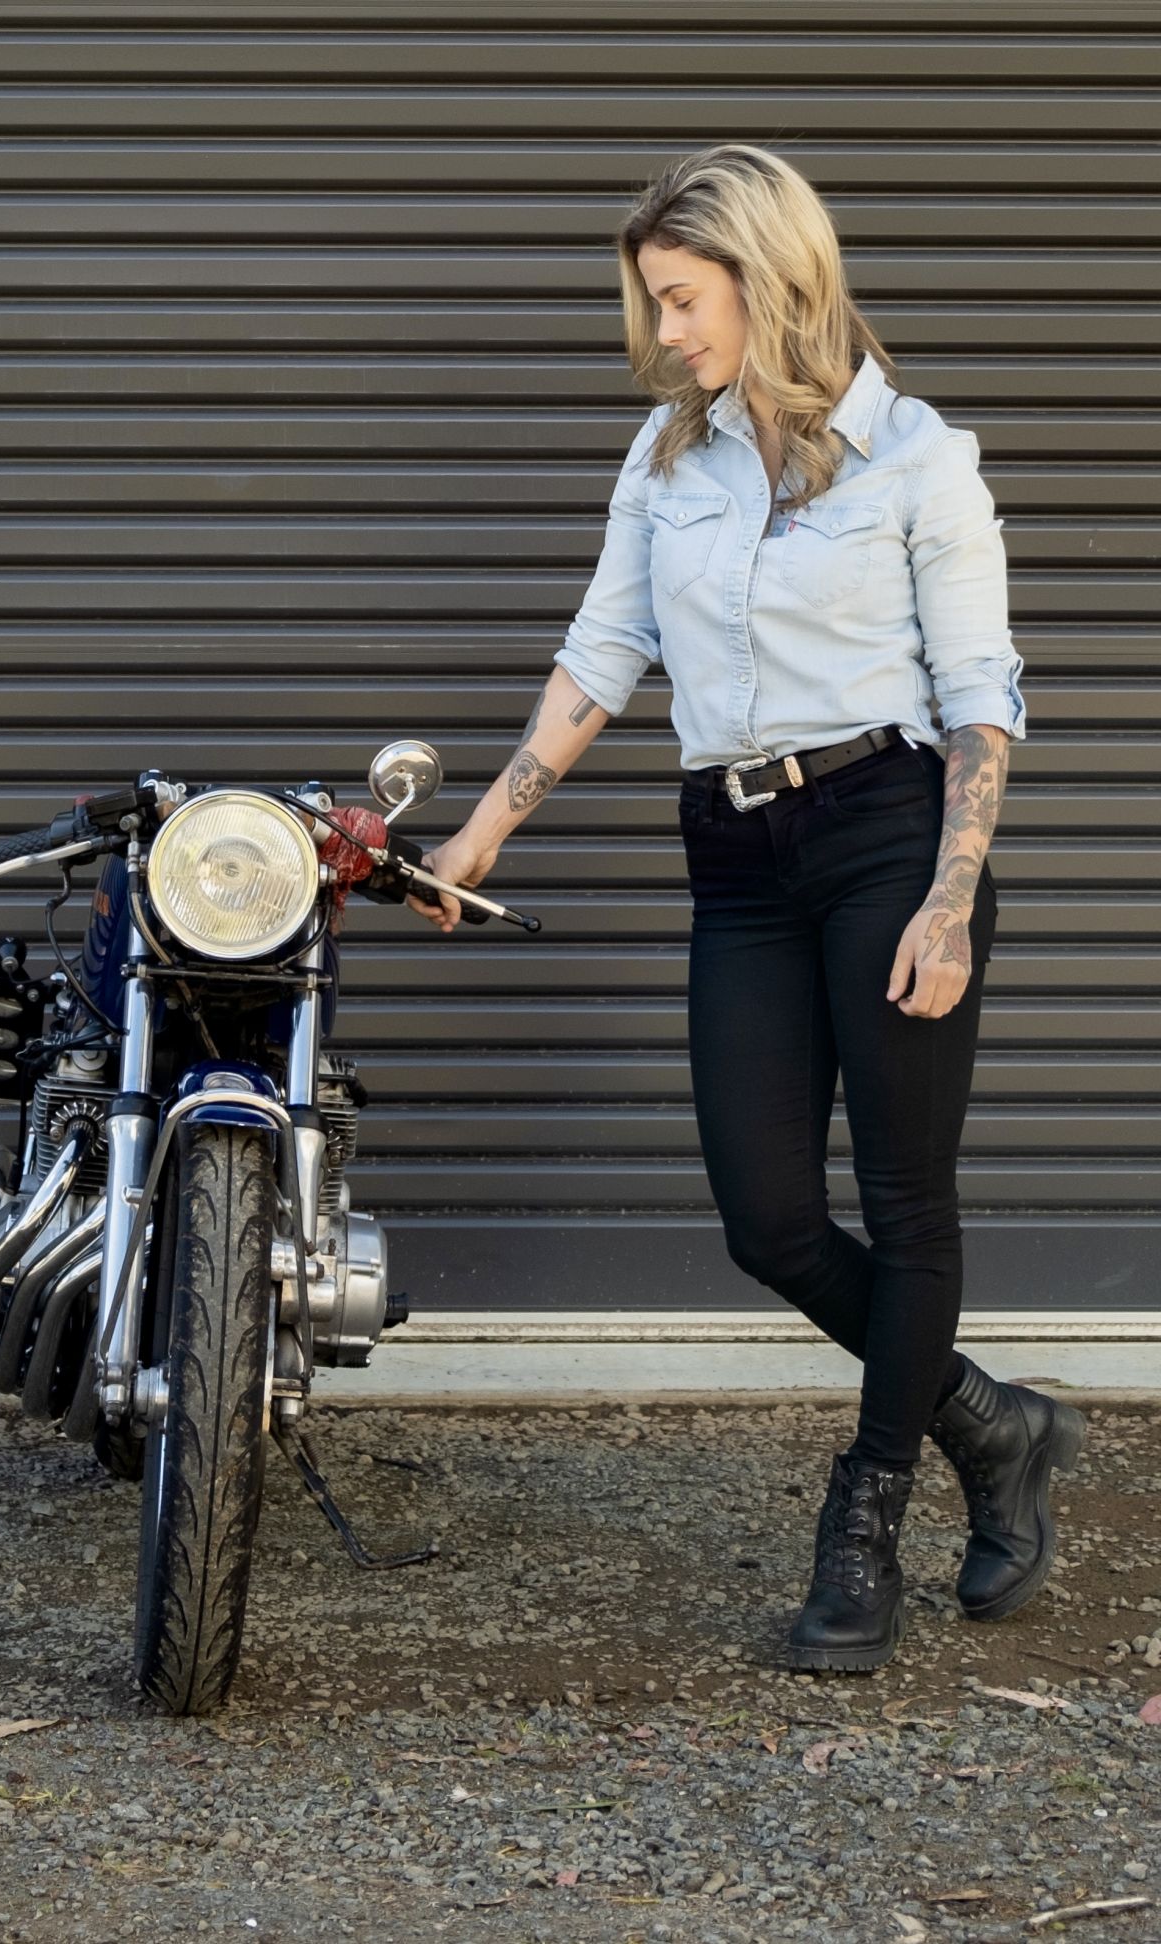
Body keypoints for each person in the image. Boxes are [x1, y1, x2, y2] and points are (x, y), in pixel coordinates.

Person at [407, 143, 1086, 1672]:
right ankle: (994, 1423)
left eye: (683, 300)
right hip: (738, 855)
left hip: (889, 834)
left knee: (906, 1203)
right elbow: (604, 649)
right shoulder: (668, 462)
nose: (664, 333)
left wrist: (951, 898)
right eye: (653, 303)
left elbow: (981, 696)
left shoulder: (918, 458)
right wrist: (484, 833)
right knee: (767, 1216)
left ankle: (868, 1518)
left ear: (769, 280)